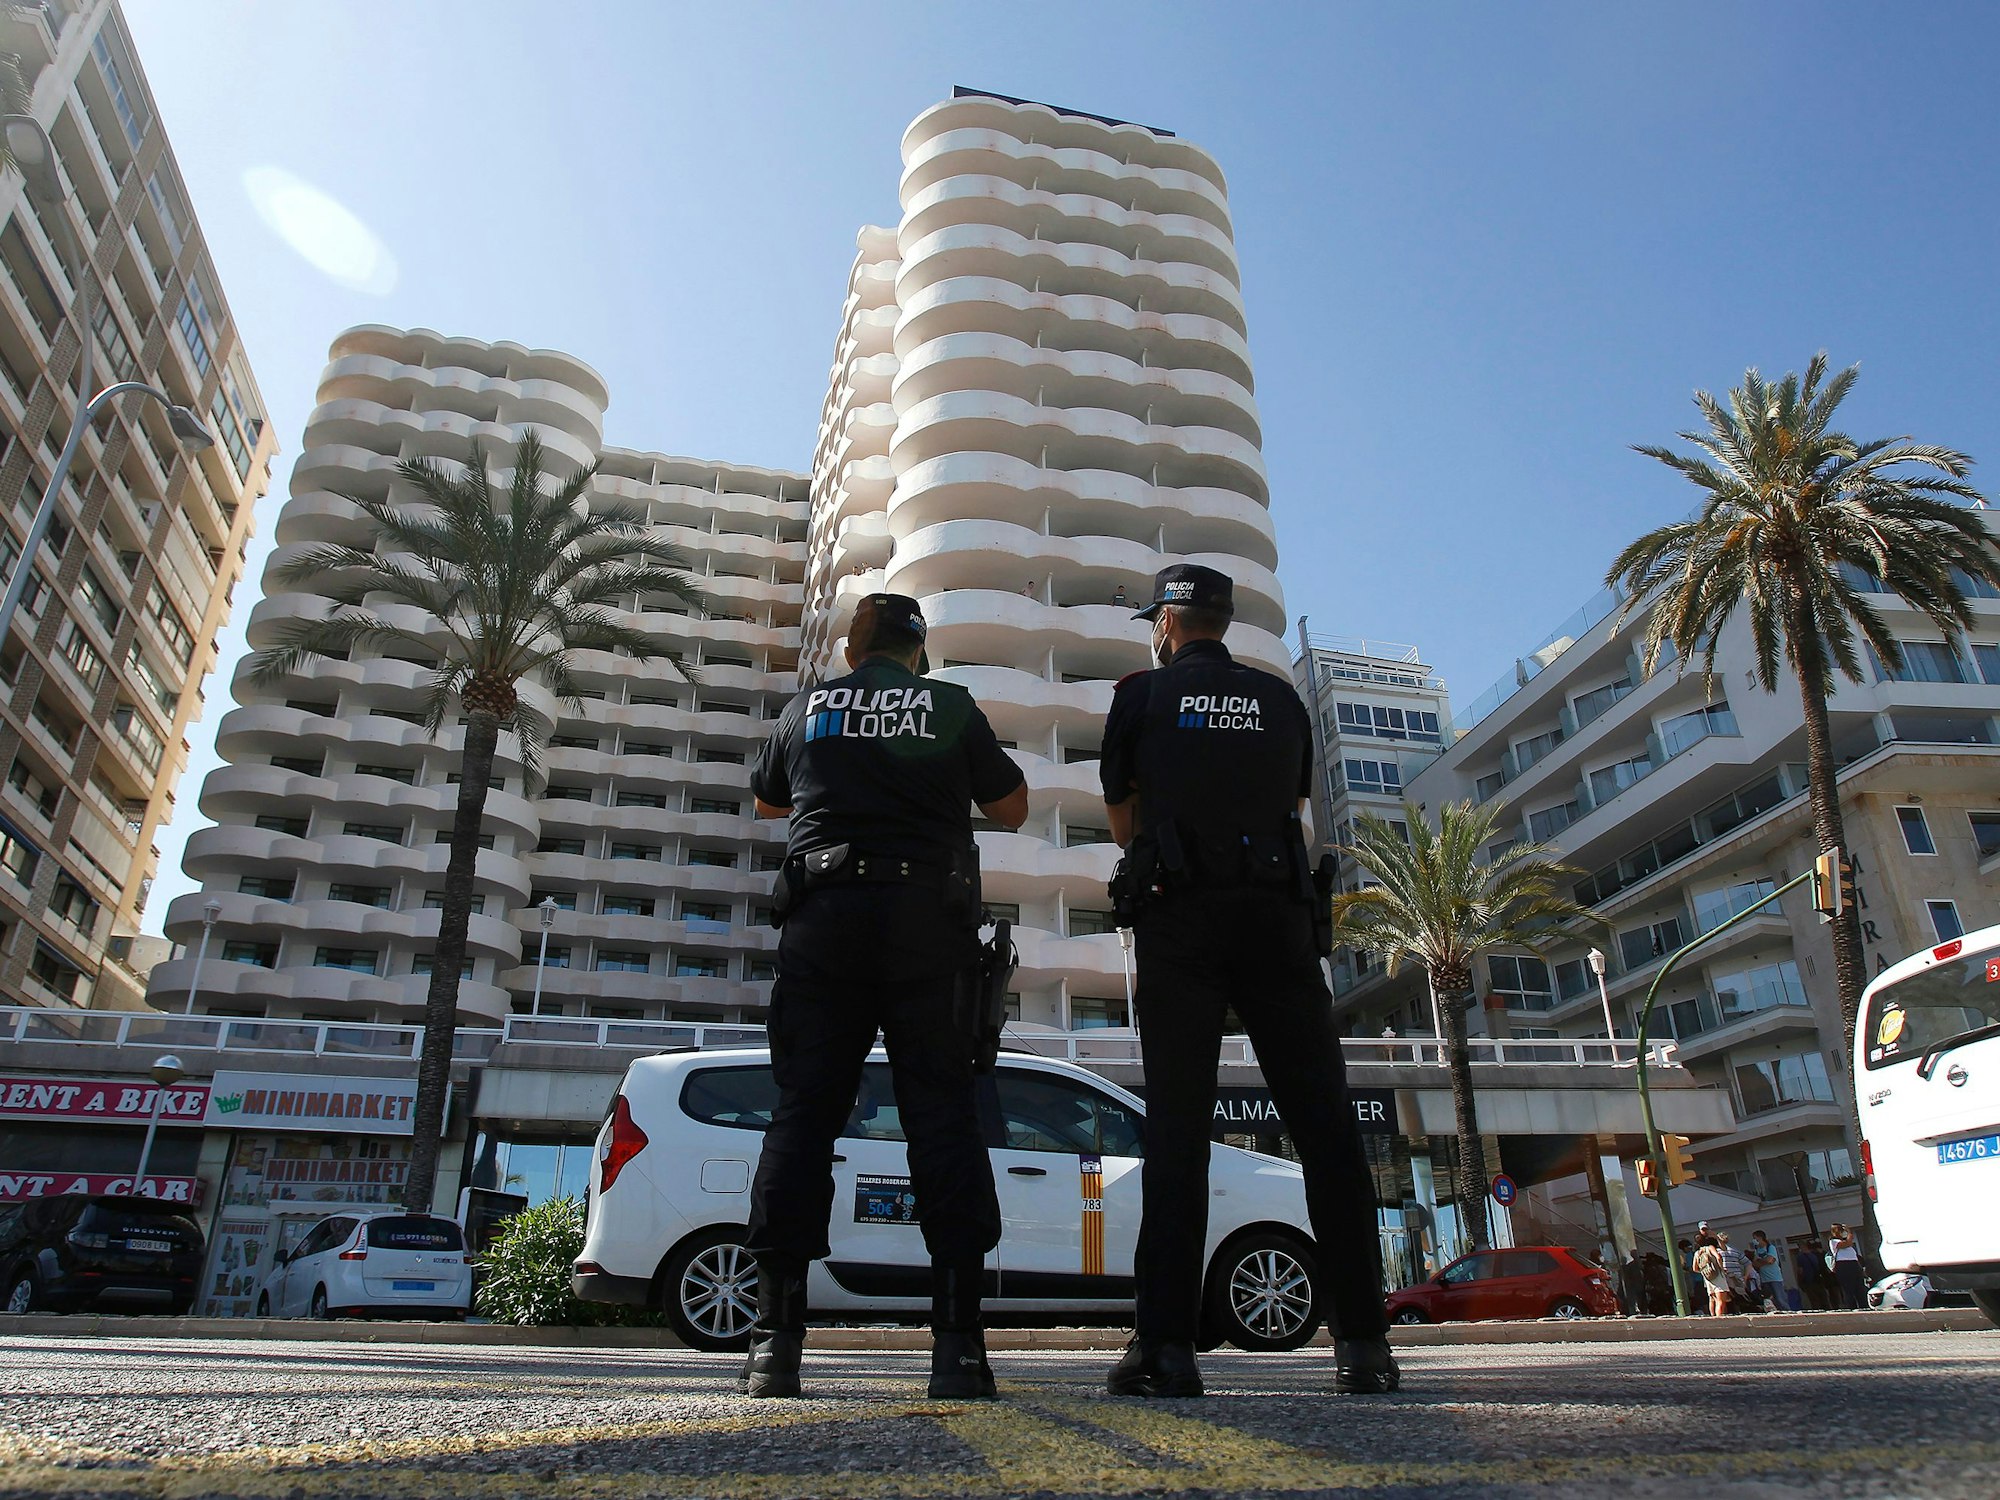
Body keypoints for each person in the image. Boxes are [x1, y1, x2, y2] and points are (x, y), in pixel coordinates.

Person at [1097, 563, 1397, 1398]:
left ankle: (1166, 1349)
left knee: (1178, 1129)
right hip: (1278, 921)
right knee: (1326, 1127)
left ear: (1166, 623)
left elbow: (1122, 821)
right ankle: (1365, 1345)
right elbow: (1294, 812)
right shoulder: (1280, 699)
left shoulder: (1140, 696)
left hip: (1182, 921)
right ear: (1224, 622)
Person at [743, 593, 1030, 1399]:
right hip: (926, 927)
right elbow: (1011, 806)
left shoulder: (807, 709)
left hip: (823, 922)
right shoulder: (948, 705)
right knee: (943, 1116)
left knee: (804, 1114)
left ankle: (774, 1344)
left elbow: (769, 799)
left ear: (850, 651)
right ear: (918, 655)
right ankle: (958, 1349)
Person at [1828, 1223, 1867, 1309]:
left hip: (1854, 1265)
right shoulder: (1833, 1241)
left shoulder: (1847, 1242)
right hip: (1843, 1265)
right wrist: (1849, 1232)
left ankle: (1864, 1306)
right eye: (1841, 1231)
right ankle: (1851, 1307)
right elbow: (1847, 1244)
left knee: (1860, 1288)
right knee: (1848, 1288)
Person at [1749, 1230, 1788, 1312]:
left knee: (1780, 1299)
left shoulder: (1770, 1247)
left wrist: (1760, 1261)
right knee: (1770, 1301)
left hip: (1775, 1278)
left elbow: (1770, 1260)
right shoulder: (1757, 1250)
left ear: (1760, 1238)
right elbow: (1755, 1263)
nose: (1754, 1240)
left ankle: (1788, 1312)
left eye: (1755, 1238)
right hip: (1764, 1279)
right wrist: (1764, 1261)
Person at [1693, 1238, 1729, 1317]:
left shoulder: (1697, 1253)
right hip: (1717, 1276)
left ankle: (1713, 1317)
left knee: (1712, 1299)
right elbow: (1718, 1257)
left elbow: (1695, 1268)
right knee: (1720, 1300)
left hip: (1708, 1278)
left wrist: (1705, 1271)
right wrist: (1722, 1269)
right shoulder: (1710, 1247)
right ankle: (1719, 1318)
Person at [1717, 1231, 1750, 1314]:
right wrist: (1745, 1276)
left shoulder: (1717, 1252)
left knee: (1727, 1300)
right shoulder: (1735, 1251)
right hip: (1738, 1278)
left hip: (1725, 1278)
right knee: (1741, 1297)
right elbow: (1748, 1263)